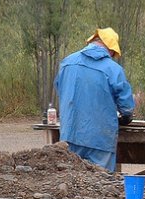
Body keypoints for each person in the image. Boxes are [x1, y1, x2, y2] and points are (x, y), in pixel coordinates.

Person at [54, 27, 135, 172]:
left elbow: (60, 89)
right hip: (100, 140)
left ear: (93, 41)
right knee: (101, 185)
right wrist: (126, 117)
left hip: (69, 134)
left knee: (72, 181)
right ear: (110, 49)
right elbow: (126, 107)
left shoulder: (67, 63)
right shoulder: (113, 69)